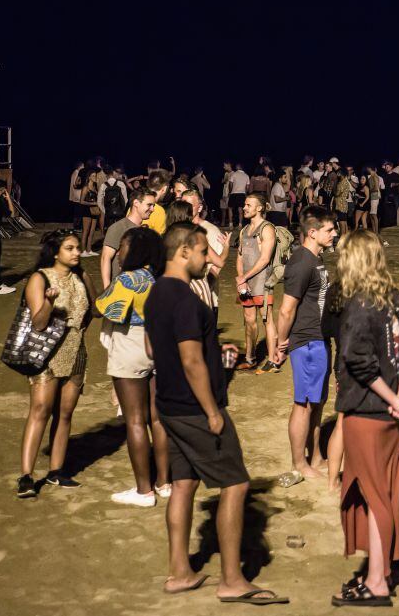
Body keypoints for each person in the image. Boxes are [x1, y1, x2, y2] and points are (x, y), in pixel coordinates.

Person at [143, 223, 287, 604]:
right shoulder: (186, 299)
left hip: (169, 405)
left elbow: (155, 347)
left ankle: (179, 572)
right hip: (195, 408)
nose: (209, 258)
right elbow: (191, 361)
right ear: (184, 251)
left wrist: (212, 349)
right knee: (236, 484)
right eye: (204, 251)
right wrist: (212, 411)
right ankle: (232, 580)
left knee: (184, 484)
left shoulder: (156, 293)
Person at [332, 230, 399, 607]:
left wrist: (391, 399)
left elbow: (358, 362)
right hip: (391, 418)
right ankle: (380, 571)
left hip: (368, 414)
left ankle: (378, 581)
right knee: (383, 494)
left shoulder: (359, 305)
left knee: (376, 499)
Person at [16, 229, 96, 498]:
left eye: (77, 248)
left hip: (76, 349)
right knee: (40, 409)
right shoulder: (39, 279)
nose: (77, 252)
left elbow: (93, 310)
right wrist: (49, 302)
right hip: (47, 351)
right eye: (71, 248)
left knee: (65, 413)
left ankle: (55, 471)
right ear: (55, 252)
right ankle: (26, 476)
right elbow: (38, 323)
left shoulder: (82, 276)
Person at [96, 227, 170, 506]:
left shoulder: (128, 280)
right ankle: (164, 482)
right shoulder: (159, 278)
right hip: (158, 346)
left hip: (131, 345)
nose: (119, 254)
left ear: (136, 250)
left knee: (135, 421)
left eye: (124, 247)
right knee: (158, 419)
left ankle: (144, 491)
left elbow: (103, 308)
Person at [273, 206, 336, 481]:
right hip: (306, 340)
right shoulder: (302, 262)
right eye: (329, 230)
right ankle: (299, 462)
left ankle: (317, 455)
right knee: (304, 403)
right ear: (312, 232)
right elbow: (286, 309)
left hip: (320, 338)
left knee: (319, 401)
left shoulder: (316, 258)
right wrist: (281, 343)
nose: (334, 233)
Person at [234, 193, 278, 370]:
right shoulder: (245, 230)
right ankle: (250, 358)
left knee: (267, 319)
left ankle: (272, 360)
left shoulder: (266, 228)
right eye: (245, 204)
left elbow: (265, 259)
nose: (244, 208)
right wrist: (240, 279)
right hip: (246, 283)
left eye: (248, 205)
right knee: (249, 319)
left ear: (259, 208)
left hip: (262, 283)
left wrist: (243, 277)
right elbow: (240, 256)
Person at [101, 189, 157, 289]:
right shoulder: (118, 228)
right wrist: (107, 287)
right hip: (121, 289)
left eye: (153, 206)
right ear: (136, 203)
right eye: (149, 205)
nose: (152, 209)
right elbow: (106, 258)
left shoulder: (144, 229)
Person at [228, 163, 250, 228]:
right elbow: (247, 187)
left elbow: (230, 184)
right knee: (240, 209)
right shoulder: (246, 175)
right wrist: (245, 193)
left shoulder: (234, 174)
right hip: (242, 194)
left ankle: (230, 224)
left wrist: (230, 191)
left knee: (230, 208)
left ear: (238, 167)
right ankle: (240, 225)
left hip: (234, 193)